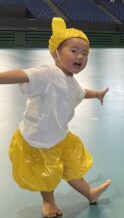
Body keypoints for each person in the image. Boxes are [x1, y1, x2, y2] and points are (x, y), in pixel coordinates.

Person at [1, 18, 111, 218]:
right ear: (56, 54)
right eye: (74, 50)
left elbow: (80, 92)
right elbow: (22, 75)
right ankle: (48, 201)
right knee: (47, 174)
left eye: (85, 53)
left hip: (60, 136)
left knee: (72, 168)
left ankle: (90, 193)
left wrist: (96, 94)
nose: (80, 56)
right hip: (39, 139)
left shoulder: (70, 79)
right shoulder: (47, 72)